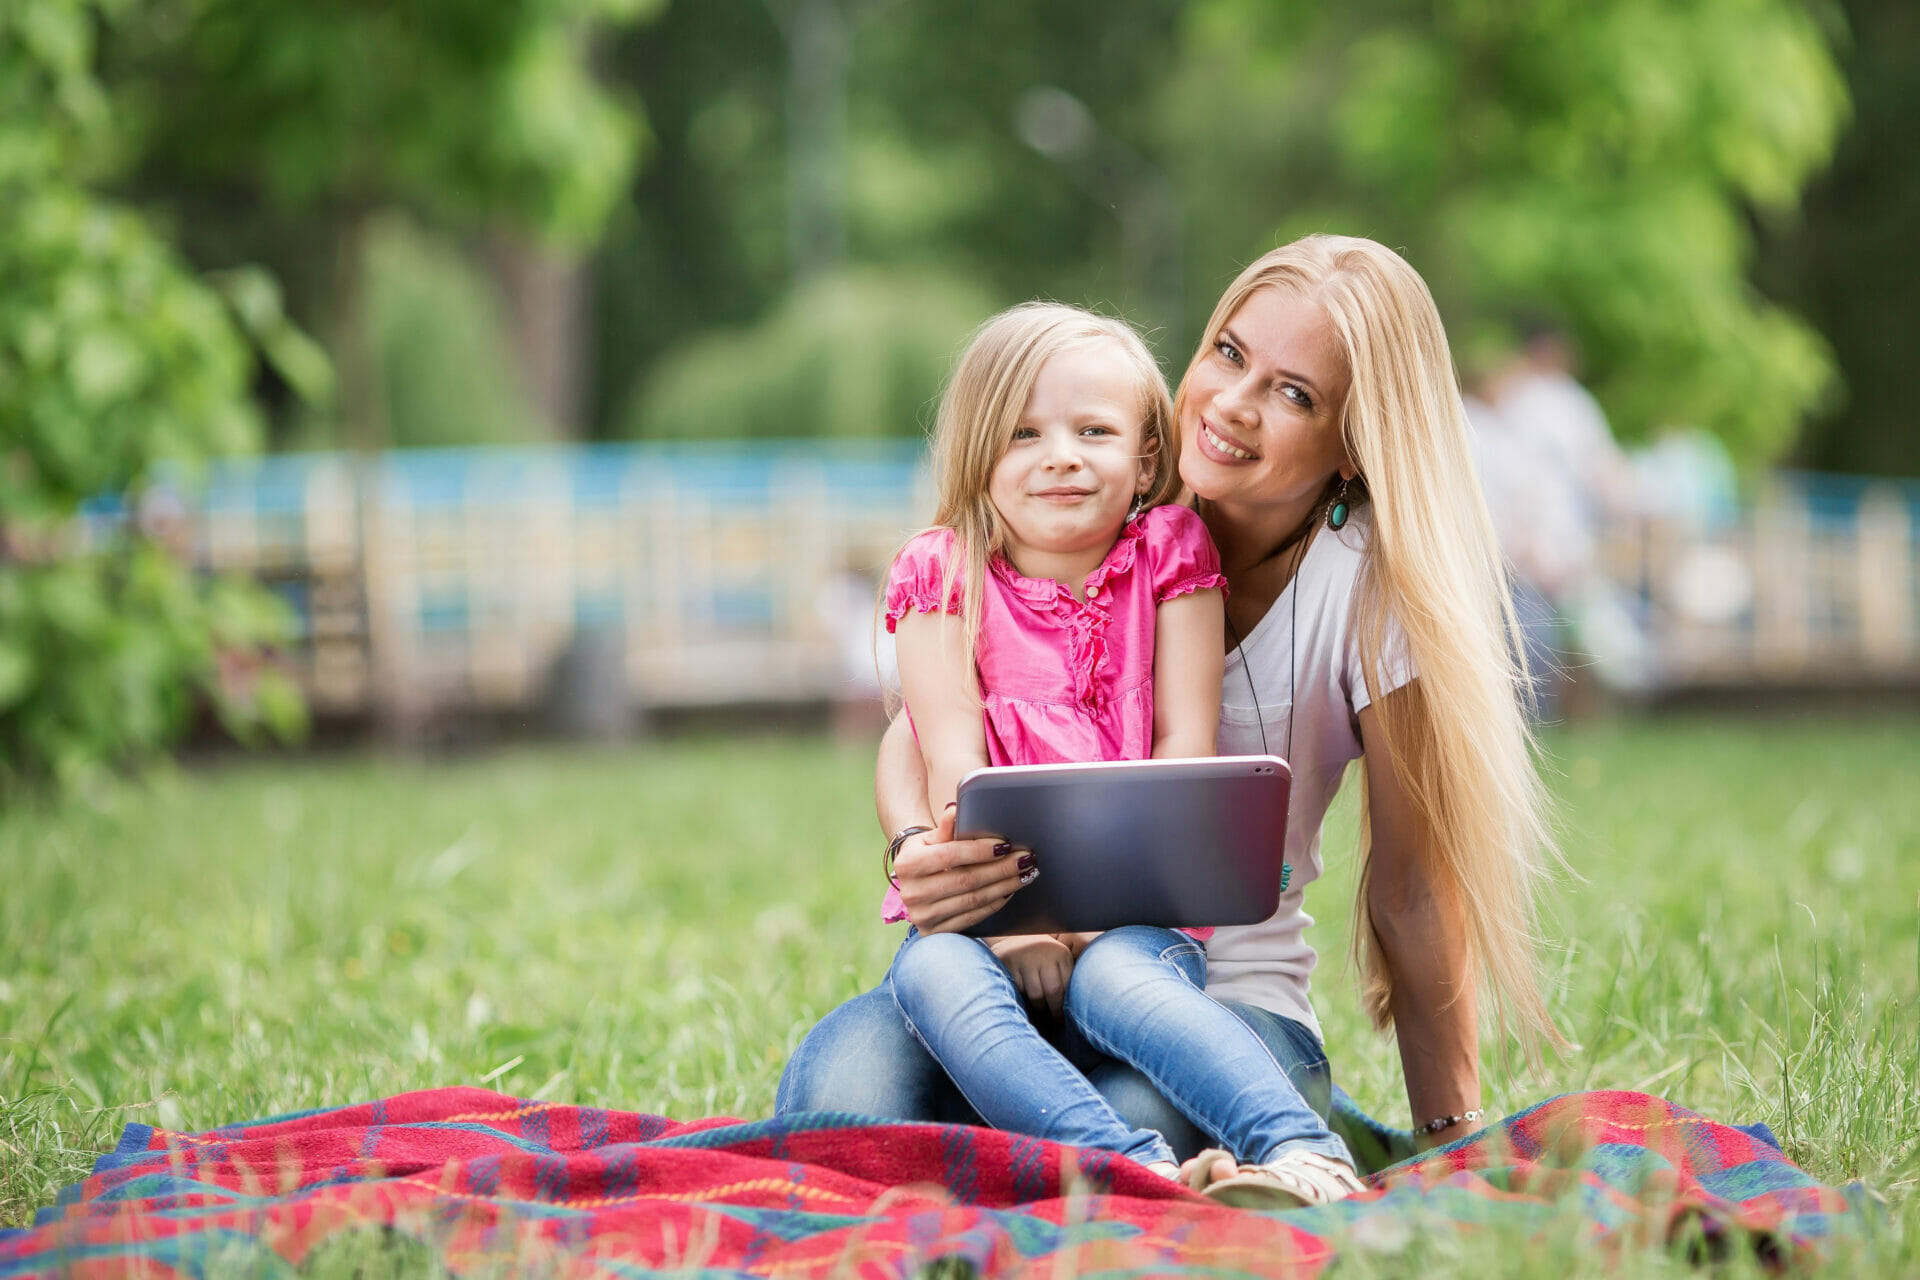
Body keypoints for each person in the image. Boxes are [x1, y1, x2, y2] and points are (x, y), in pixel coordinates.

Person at [778, 235, 1559, 1200]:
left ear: (1359, 440)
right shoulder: (1073, 515)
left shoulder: (1367, 602)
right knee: (840, 1098)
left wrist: (1452, 1142)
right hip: (1007, 962)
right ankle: (1052, 1172)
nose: (1232, 404)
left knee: (1125, 1120)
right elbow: (929, 732)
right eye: (1229, 355)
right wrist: (914, 850)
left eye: (1294, 393)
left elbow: (1413, 891)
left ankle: (1242, 1149)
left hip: (1219, 991)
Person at [876, 302, 1363, 1200]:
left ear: (1145, 460)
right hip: (990, 906)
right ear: (980, 455)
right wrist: (1016, 922)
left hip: (1134, 906)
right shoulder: (940, 574)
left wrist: (1098, 916)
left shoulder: (1169, 557)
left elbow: (1182, 746)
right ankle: (1126, 1165)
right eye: (1023, 433)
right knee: (933, 969)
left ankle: (1303, 1147)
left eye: (1092, 430)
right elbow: (951, 758)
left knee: (1115, 978)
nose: (1060, 454)